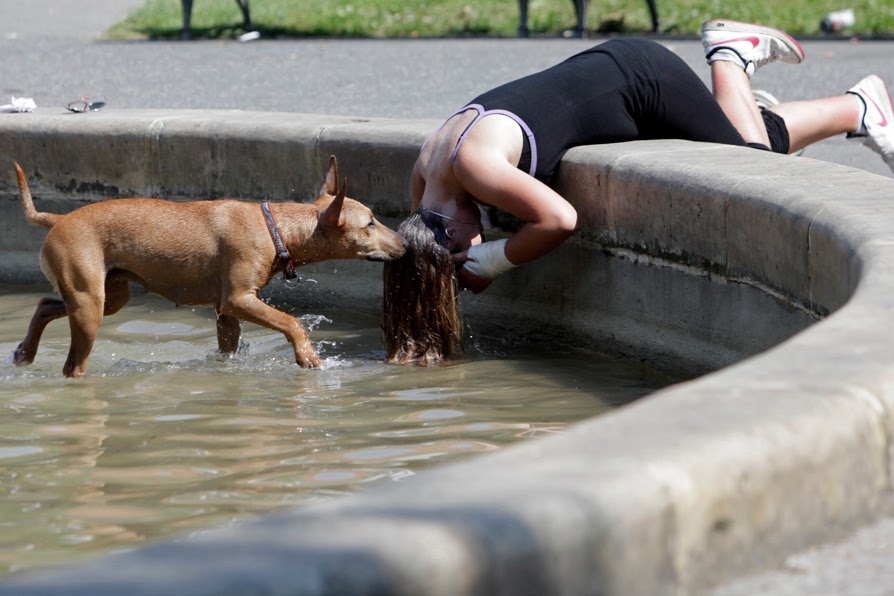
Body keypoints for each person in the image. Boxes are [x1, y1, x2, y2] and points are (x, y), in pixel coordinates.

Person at [382, 19, 894, 365]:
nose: (471, 248)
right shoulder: (426, 171)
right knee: (748, 139)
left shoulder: (472, 165)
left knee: (751, 167)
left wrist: (493, 259)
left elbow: (560, 220)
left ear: (447, 233)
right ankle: (824, 108)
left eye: (461, 251)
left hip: (641, 80)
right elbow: (419, 253)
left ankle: (735, 57)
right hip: (606, 77)